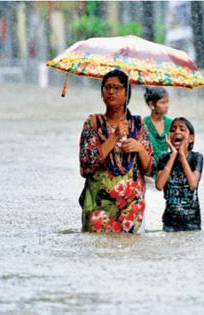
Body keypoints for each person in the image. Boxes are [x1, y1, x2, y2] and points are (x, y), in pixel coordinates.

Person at [79, 69, 154, 233]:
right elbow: (86, 165)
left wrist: (139, 148)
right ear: (101, 93)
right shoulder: (93, 123)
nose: (111, 92)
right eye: (107, 87)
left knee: (130, 253)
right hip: (99, 205)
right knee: (99, 251)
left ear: (127, 94)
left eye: (117, 88)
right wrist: (114, 136)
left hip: (131, 207)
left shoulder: (138, 124)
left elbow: (151, 169)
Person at [155, 117, 204, 232]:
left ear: (191, 138)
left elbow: (193, 184)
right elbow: (159, 185)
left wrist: (181, 156)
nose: (177, 132)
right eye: (173, 129)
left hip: (192, 221)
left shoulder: (196, 158)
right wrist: (173, 155)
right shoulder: (164, 157)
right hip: (169, 221)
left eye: (182, 129)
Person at [143, 87, 172, 165]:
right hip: (148, 165)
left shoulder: (171, 123)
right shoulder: (143, 124)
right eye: (163, 102)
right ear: (151, 104)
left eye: (167, 102)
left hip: (165, 166)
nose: (167, 106)